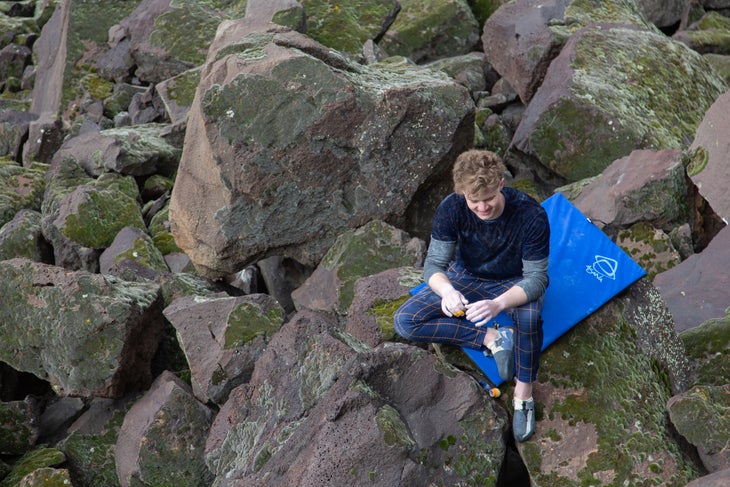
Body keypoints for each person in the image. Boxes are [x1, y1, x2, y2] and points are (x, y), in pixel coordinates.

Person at [393, 149, 549, 442]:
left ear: (501, 183)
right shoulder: (452, 208)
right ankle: (492, 338)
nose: (482, 208)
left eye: (488, 198)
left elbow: (537, 279)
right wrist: (447, 291)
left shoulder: (531, 215)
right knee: (406, 321)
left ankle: (523, 394)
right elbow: (434, 266)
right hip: (467, 276)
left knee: (530, 319)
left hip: (514, 280)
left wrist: (499, 303)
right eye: (473, 201)